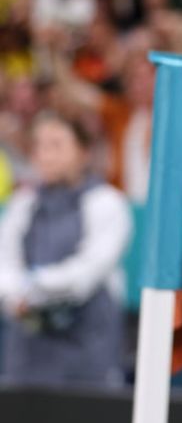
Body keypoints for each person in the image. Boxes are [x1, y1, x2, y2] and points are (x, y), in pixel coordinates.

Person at [0, 112, 133, 387]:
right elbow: (5, 259)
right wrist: (15, 294)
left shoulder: (107, 203)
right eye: (39, 146)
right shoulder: (23, 203)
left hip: (86, 355)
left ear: (83, 152)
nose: (46, 155)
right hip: (26, 353)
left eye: (57, 145)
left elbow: (87, 272)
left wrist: (32, 289)